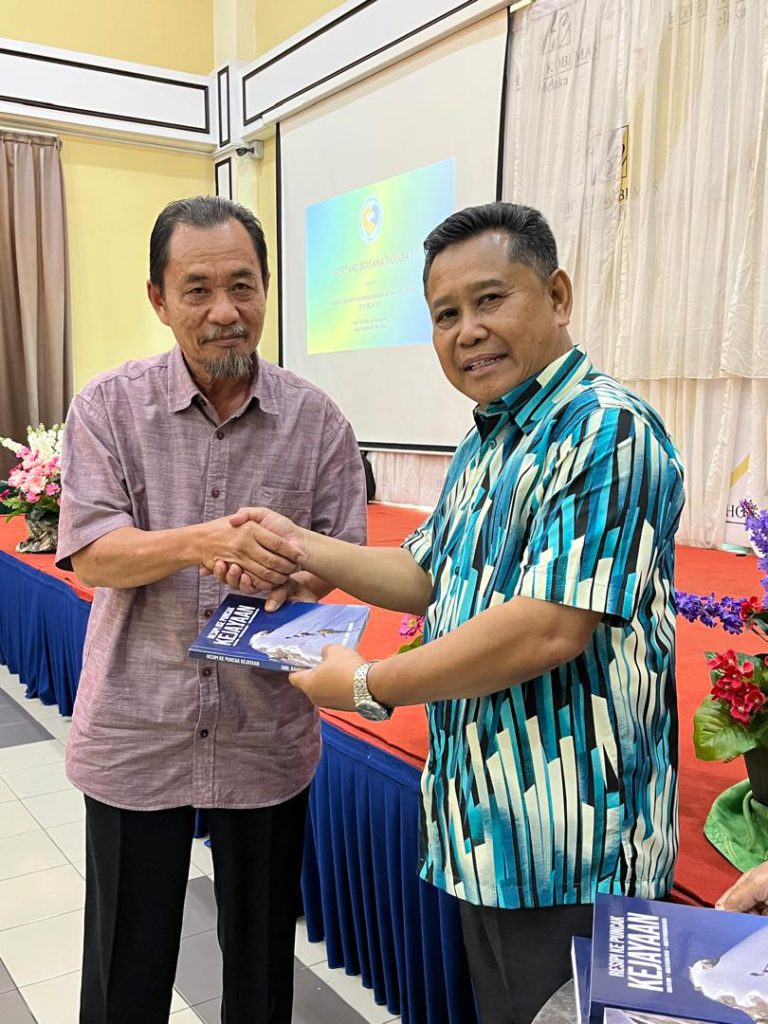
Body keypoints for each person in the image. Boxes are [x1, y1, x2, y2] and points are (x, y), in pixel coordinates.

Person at [211, 202, 686, 1024]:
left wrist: (367, 683)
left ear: (558, 295)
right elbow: (424, 573)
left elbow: (550, 626)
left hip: (577, 841)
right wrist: (301, 543)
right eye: (445, 315)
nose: (468, 332)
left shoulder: (608, 429)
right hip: (487, 825)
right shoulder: (488, 439)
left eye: (490, 300)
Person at [55, 195, 367, 1024]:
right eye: (197, 289)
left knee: (261, 973)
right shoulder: (107, 407)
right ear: (158, 299)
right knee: (125, 971)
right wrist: (199, 543)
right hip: (138, 725)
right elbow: (92, 552)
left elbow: (339, 552)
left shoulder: (317, 421)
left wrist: (295, 583)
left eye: (242, 285)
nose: (224, 310)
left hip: (263, 730)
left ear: (266, 289)